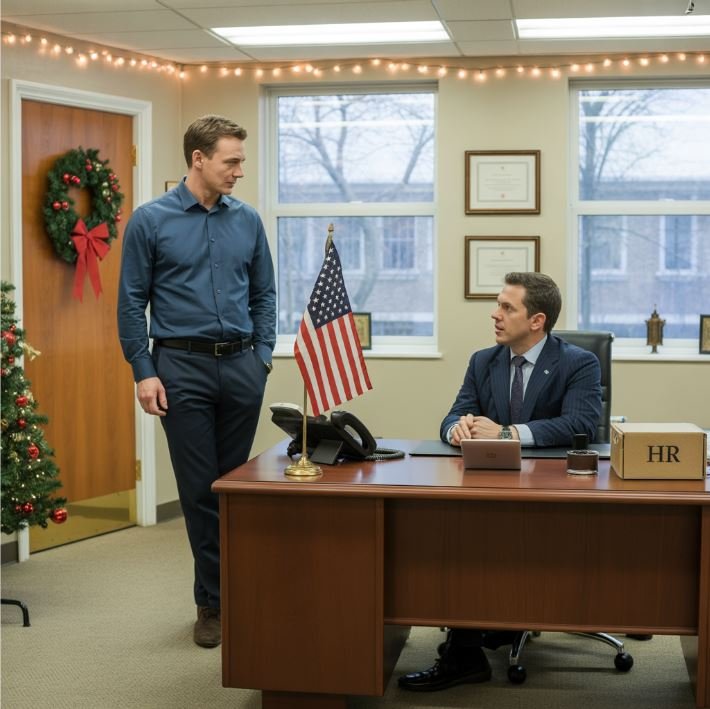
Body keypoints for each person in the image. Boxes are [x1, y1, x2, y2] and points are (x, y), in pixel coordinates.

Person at [398, 271, 602, 692]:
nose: (495, 314)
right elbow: (454, 413)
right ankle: (468, 646)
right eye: (498, 304)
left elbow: (581, 423)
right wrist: (457, 429)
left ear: (537, 320)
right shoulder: (484, 360)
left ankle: (465, 650)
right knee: (453, 527)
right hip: (491, 486)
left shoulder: (578, 363)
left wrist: (509, 433)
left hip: (553, 493)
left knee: (472, 539)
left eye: (507, 307)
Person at [118, 114, 276, 649]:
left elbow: (264, 294)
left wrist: (262, 358)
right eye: (231, 161)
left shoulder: (247, 220)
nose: (239, 171)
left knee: (233, 490)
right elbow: (130, 304)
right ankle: (213, 602)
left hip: (241, 367)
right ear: (198, 159)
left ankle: (234, 592)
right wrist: (144, 372)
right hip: (179, 369)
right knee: (200, 490)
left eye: (241, 162)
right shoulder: (150, 221)